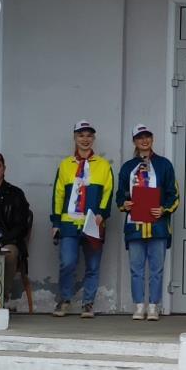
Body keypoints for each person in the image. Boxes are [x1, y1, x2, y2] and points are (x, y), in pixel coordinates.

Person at [116, 125, 180, 321]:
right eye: (139, 137)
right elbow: (119, 195)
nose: (144, 140)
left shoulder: (164, 164)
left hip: (158, 226)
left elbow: (173, 194)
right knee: (136, 270)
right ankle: (138, 306)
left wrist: (164, 209)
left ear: (152, 139)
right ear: (134, 141)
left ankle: (153, 306)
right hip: (134, 227)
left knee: (156, 270)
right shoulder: (127, 167)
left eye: (147, 136)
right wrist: (124, 203)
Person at [50, 121, 114, 317]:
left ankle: (88, 304)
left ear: (93, 138)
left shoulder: (103, 165)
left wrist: (102, 214)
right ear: (75, 138)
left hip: (93, 223)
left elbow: (108, 192)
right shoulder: (65, 164)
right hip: (69, 223)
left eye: (88, 135)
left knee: (93, 266)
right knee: (67, 263)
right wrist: (56, 222)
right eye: (81, 135)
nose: (85, 139)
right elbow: (58, 194)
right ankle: (65, 300)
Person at [0, 151, 32, 309]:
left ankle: (0, 299)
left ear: (4, 169)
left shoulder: (15, 194)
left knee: (10, 255)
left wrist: (2, 241)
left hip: (5, 241)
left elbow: (21, 225)